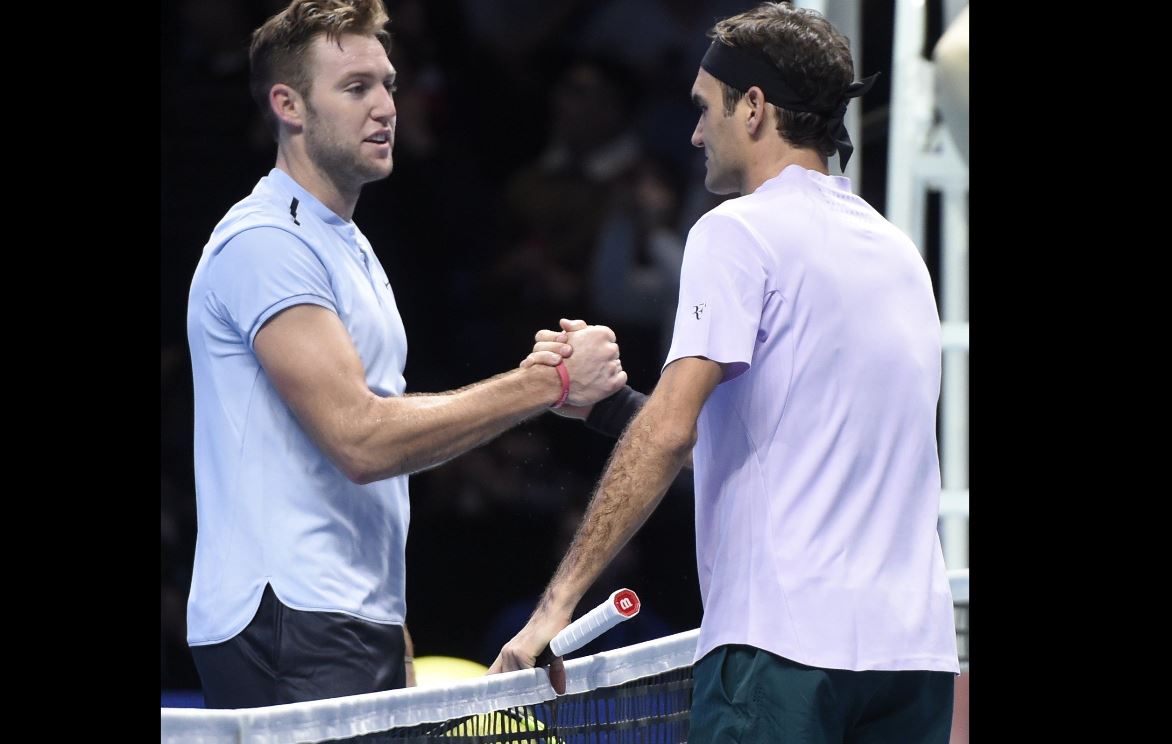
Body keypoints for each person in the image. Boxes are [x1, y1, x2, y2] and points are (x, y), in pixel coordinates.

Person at [490, 3, 960, 741]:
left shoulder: (735, 232)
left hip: (785, 655)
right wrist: (616, 408)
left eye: (704, 110)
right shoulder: (901, 255)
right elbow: (787, 446)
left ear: (753, 108)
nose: (693, 133)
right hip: (915, 661)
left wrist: (554, 608)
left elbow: (672, 434)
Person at [184, 0, 625, 709]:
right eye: (356, 87)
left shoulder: (351, 248)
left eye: (389, 82)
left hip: (352, 619)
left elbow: (382, 450)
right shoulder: (265, 243)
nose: (386, 105)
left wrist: (393, 629)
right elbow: (361, 440)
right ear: (288, 104)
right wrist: (546, 383)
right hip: (288, 620)